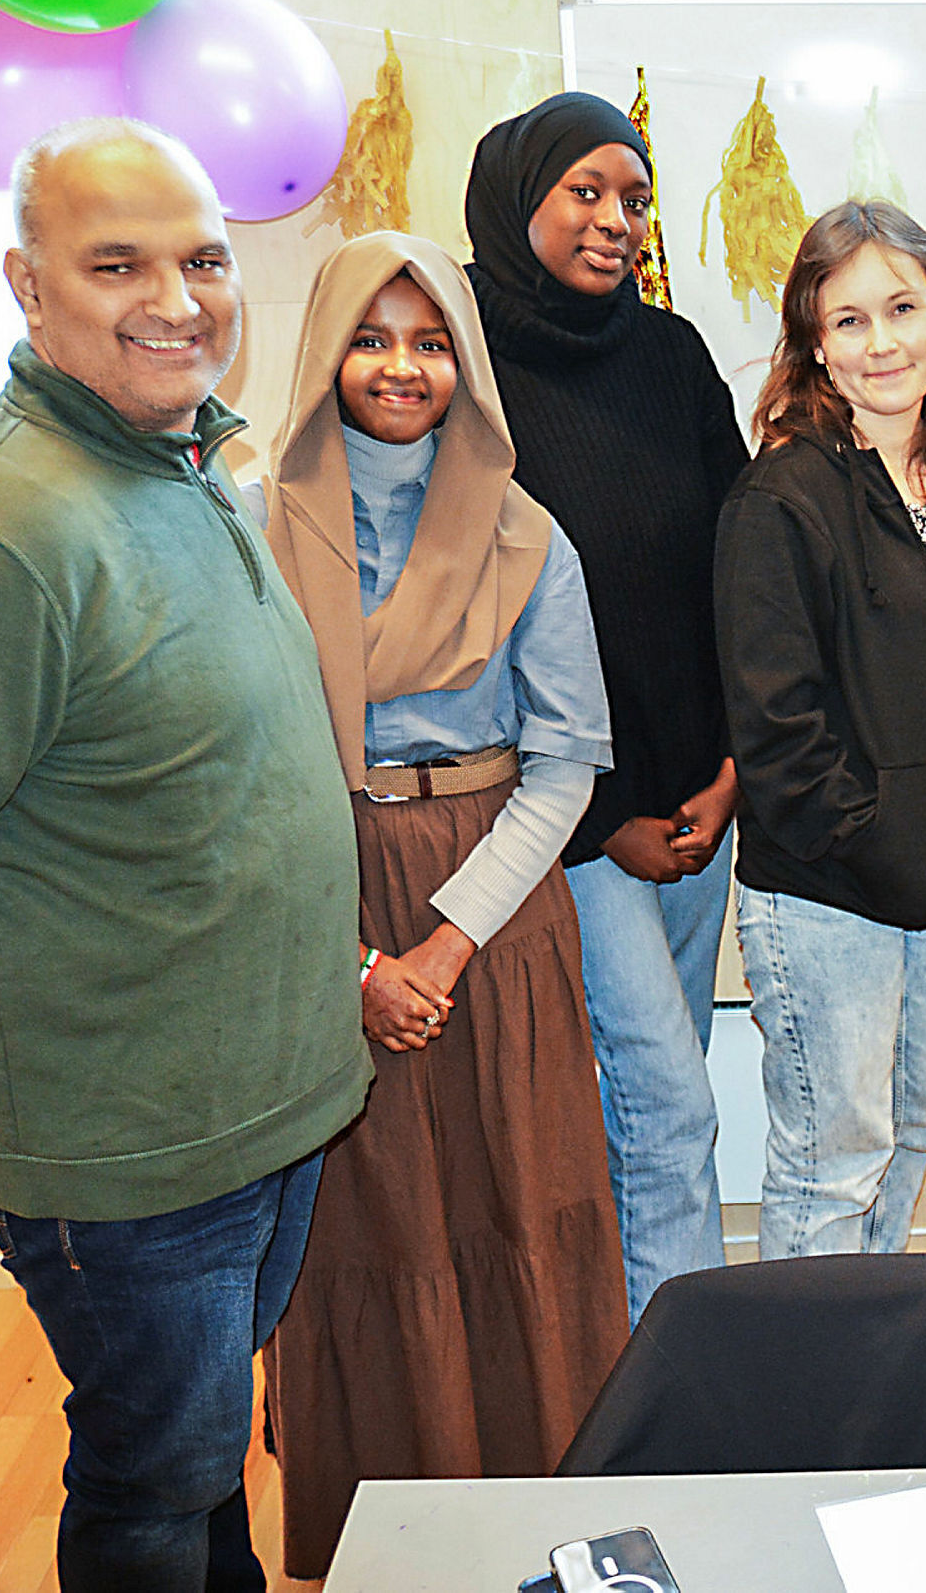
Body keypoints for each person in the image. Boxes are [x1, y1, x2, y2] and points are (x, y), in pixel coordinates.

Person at [0, 118, 370, 1592]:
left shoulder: (183, 464)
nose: (177, 299)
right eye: (118, 265)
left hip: (255, 1106)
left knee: (201, 1459)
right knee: (153, 1478)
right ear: (27, 286)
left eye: (204, 259)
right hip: (122, 1148)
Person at [248, 231, 627, 1578]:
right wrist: (357, 964)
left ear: (464, 361)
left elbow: (567, 760)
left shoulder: (527, 533)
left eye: (428, 341)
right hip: (314, 884)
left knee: (519, 1195)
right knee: (370, 1214)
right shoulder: (249, 529)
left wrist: (445, 942)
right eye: (370, 337)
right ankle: (384, 1532)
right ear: (323, 355)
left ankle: (539, 1516)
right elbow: (234, 765)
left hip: (493, 905)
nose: (400, 366)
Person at [716, 200, 926, 1260]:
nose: (882, 343)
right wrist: (877, 837)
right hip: (829, 895)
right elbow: (777, 727)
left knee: (909, 1131)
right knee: (833, 1158)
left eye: (903, 309)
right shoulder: (779, 501)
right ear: (816, 344)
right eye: (850, 320)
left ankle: (876, 1342)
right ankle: (814, 1372)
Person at [466, 93, 751, 1325]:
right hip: (569, 815)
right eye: (585, 190)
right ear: (517, 196)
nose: (617, 220)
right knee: (669, 1103)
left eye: (634, 197)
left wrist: (734, 766)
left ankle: (637, 1338)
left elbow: (743, 565)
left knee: (656, 1094)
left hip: (700, 802)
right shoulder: (461, 364)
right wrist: (607, 818)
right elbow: (466, 626)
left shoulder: (671, 353)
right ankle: (678, 1382)